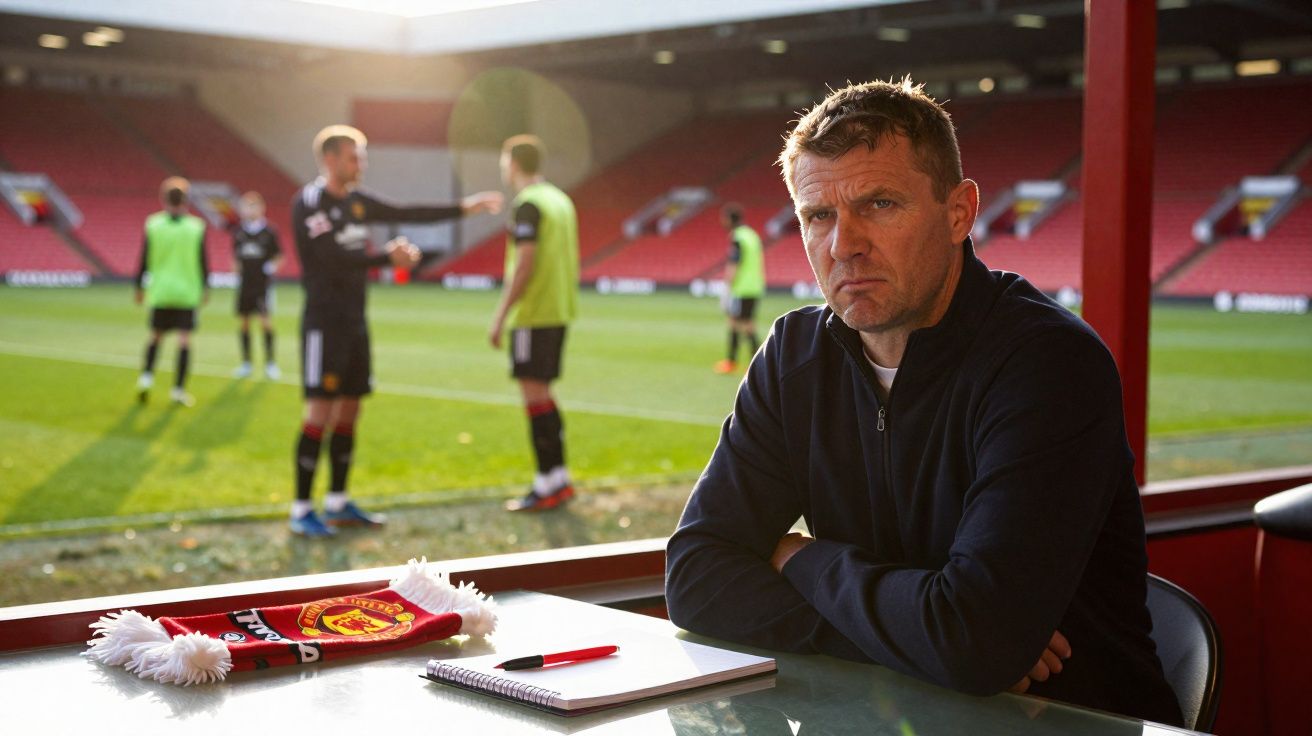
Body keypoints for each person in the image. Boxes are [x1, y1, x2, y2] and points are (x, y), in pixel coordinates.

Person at [665, 79, 1183, 726]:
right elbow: (695, 579)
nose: (842, 244)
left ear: (959, 212)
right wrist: (919, 642)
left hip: (1069, 721)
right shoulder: (794, 356)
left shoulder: (1047, 364)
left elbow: (977, 640)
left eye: (879, 203)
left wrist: (802, 557)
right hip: (885, 717)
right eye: (817, 216)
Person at [289, 124, 502, 537]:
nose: (361, 164)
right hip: (324, 325)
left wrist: (465, 208)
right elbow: (329, 258)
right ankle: (300, 509)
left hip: (355, 323)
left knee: (350, 410)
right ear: (329, 159)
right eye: (355, 157)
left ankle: (336, 503)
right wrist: (386, 257)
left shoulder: (357, 202)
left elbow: (407, 212)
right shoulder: (310, 203)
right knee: (319, 413)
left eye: (363, 156)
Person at [488, 134, 580, 512]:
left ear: (513, 163)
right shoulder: (560, 200)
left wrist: (500, 314)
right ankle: (559, 478)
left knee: (534, 397)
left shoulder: (527, 205)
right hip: (558, 310)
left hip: (533, 313)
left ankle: (546, 483)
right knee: (544, 394)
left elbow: (524, 263)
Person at [135, 176, 208, 407]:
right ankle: (178, 390)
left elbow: (144, 259)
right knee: (184, 340)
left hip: (161, 291)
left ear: (163, 199)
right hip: (187, 293)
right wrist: (206, 287)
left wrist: (138, 286)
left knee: (156, 336)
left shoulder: (153, 224)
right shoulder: (196, 227)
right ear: (186, 200)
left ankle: (146, 379)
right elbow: (203, 261)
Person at [230, 191, 282, 380]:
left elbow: (279, 255)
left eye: (254, 206)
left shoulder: (269, 231)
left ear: (261, 208)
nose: (250, 210)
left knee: (265, 322)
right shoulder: (239, 232)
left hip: (262, 285)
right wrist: (235, 273)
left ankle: (270, 363)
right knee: (244, 323)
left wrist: (272, 266)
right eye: (246, 206)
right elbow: (235, 257)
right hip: (245, 284)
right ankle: (246, 363)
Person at [713, 202, 765, 374]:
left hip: (742, 287)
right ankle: (753, 362)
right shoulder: (751, 235)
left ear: (728, 219)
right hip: (755, 285)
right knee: (746, 323)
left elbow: (735, 262)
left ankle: (735, 361)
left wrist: (727, 286)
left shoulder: (737, 237)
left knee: (738, 323)